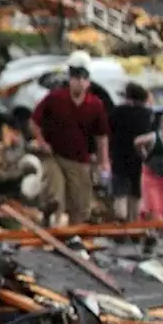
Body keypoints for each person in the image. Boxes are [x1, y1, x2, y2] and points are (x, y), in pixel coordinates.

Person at [29, 50, 111, 227]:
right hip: (54, 155)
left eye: (83, 77)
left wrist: (104, 162)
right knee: (55, 196)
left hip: (79, 160)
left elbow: (101, 137)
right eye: (75, 76)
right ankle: (52, 224)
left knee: (80, 204)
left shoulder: (95, 105)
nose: (79, 82)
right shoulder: (55, 98)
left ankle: (73, 236)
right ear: (70, 78)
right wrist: (42, 142)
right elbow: (34, 122)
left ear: (88, 81)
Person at [109, 82, 152, 222]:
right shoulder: (147, 114)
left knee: (120, 193)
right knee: (136, 193)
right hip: (139, 157)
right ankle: (134, 224)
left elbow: (109, 131)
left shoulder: (117, 111)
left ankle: (121, 223)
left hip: (119, 156)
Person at [136, 110, 163, 221]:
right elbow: (137, 142)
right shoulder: (154, 137)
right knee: (153, 203)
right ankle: (153, 229)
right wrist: (143, 155)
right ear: (162, 124)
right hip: (151, 176)